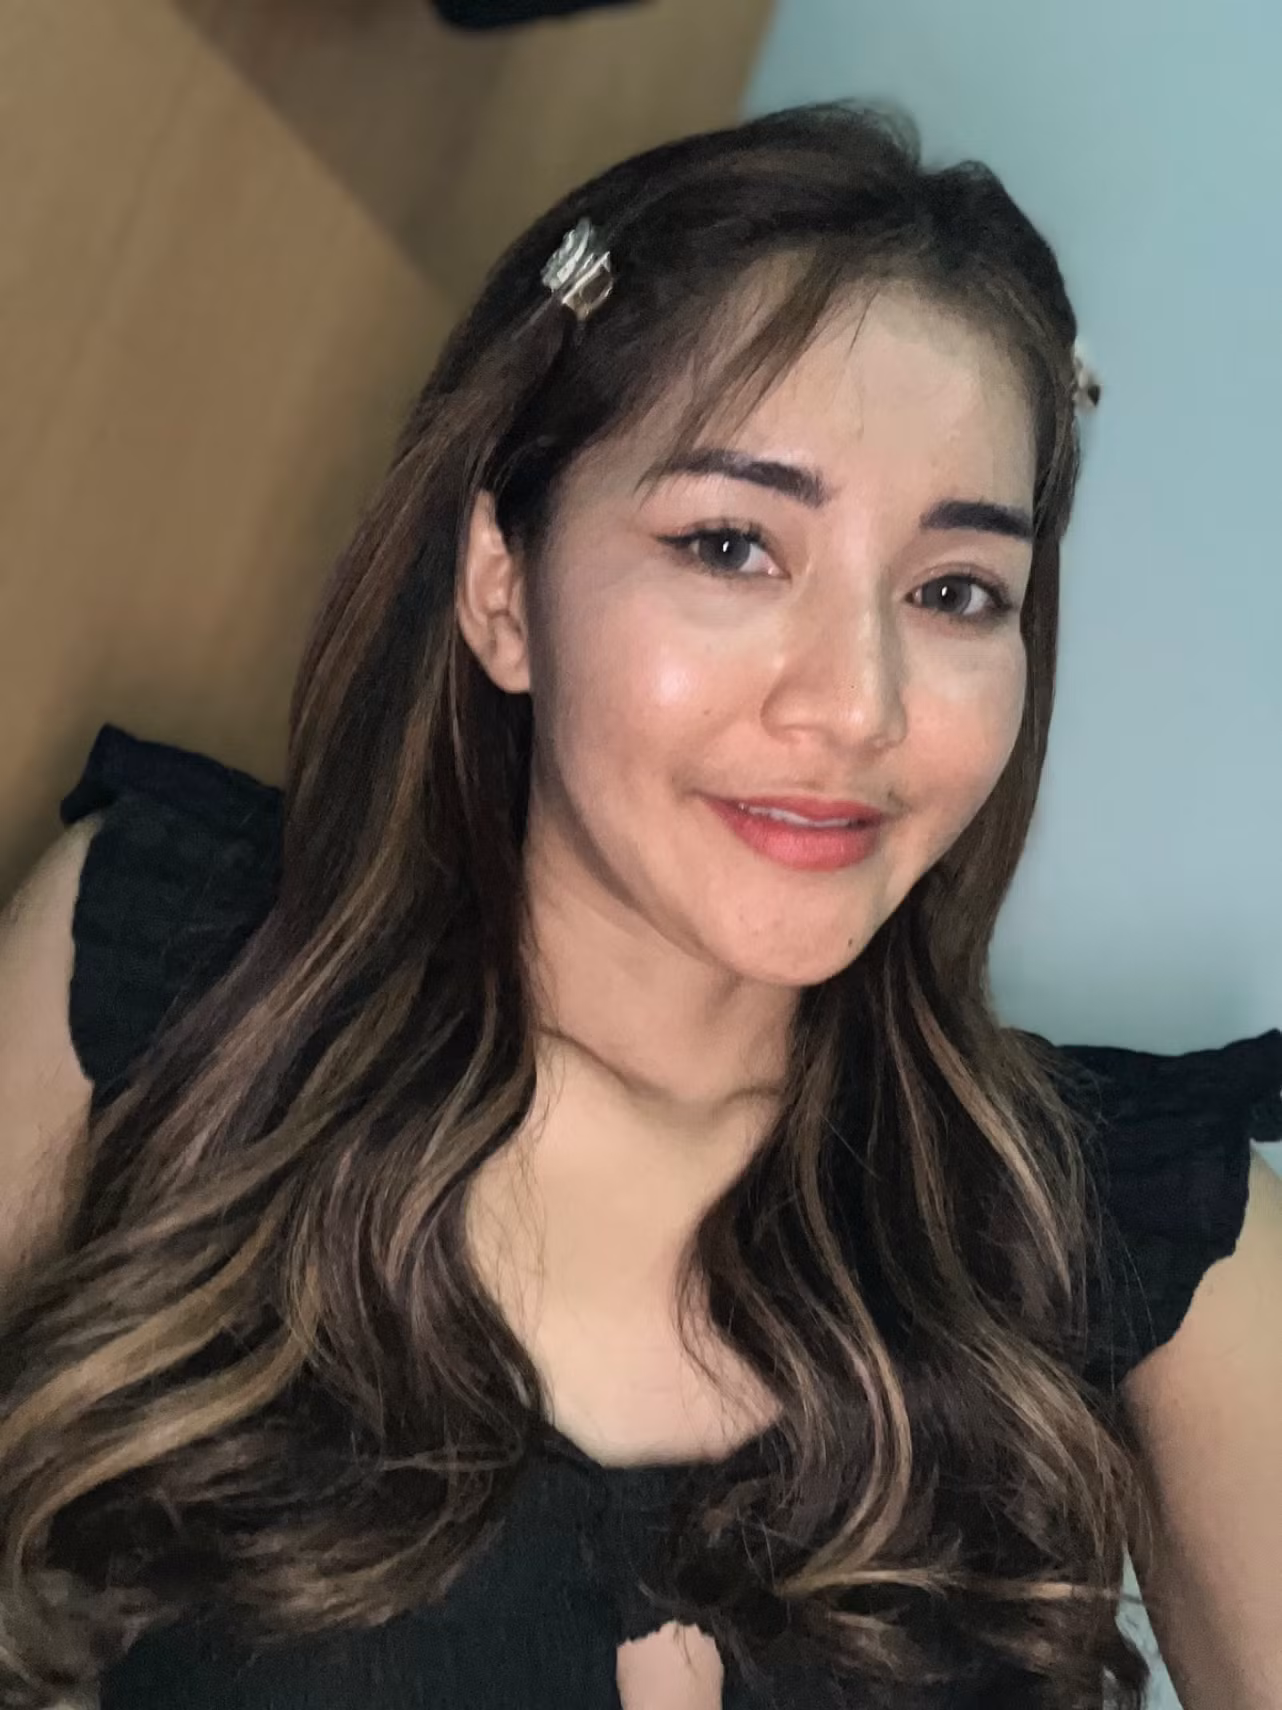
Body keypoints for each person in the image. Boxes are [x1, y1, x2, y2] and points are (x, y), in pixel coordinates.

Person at [0, 102, 1279, 1710]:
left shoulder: (1137, 1237)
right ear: (501, 586)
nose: (858, 703)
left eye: (955, 591)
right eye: (731, 545)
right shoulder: (168, 972)